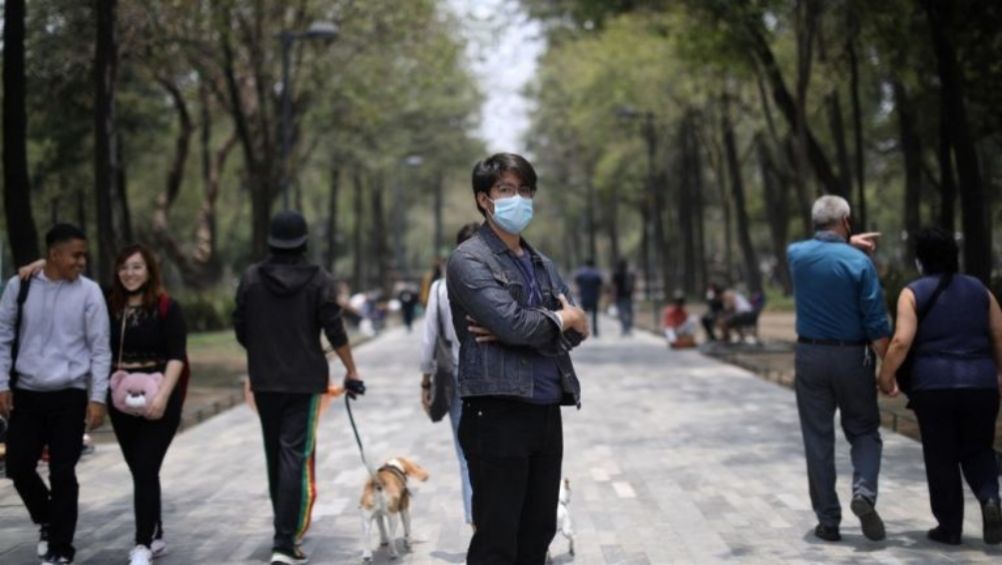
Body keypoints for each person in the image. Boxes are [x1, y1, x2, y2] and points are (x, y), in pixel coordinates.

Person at [447, 153, 589, 564]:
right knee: (498, 537)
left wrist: (539, 325)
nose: (518, 199)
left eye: (525, 191)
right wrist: (559, 319)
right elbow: (520, 326)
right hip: (496, 413)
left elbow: (577, 333)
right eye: (506, 190)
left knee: (539, 531)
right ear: (484, 200)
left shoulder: (543, 263)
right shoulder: (469, 260)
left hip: (546, 409)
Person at [17, 244, 188, 565]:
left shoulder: (167, 307)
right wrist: (44, 262)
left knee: (147, 467)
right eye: (124, 268)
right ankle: (156, 529)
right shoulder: (107, 302)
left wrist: (164, 397)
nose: (130, 274)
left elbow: (177, 356)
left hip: (160, 400)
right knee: (140, 470)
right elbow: (73, 275)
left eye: (137, 267)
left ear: (149, 270)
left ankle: (142, 543)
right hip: (121, 402)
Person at [233, 210, 365, 565]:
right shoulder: (320, 280)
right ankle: (284, 541)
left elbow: (241, 330)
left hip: (265, 381)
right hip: (305, 382)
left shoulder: (250, 279)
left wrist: (266, 354)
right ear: (304, 241)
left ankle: (283, 532)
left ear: (271, 241)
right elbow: (335, 331)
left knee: (274, 454)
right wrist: (351, 371)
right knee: (294, 455)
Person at [877, 227, 1002, 546]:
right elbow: (999, 336)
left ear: (920, 260)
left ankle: (950, 528)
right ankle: (990, 498)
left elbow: (902, 340)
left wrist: (886, 375)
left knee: (941, 456)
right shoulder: (981, 290)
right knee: (978, 449)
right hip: (980, 383)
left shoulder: (912, 292)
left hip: (933, 386)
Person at [0, 224, 111, 564]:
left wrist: (98, 397)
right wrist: (2, 383)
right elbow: (2, 336)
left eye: (84, 255)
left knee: (64, 472)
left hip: (69, 394)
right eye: (75, 254)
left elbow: (100, 349)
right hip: (27, 394)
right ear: (54, 254)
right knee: (17, 466)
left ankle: (61, 547)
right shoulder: (20, 286)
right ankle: (48, 517)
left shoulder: (90, 293)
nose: (82, 261)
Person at [787, 195, 891, 543]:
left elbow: (818, 250)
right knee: (863, 430)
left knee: (817, 439)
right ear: (846, 220)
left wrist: (846, 241)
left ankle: (828, 522)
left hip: (809, 356)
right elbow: (876, 323)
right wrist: (889, 371)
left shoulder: (795, 255)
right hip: (852, 358)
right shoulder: (860, 264)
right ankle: (863, 494)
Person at [419, 222, 480, 526]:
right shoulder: (496, 282)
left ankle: (475, 521)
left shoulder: (441, 288)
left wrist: (426, 381)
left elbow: (429, 339)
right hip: (494, 379)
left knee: (465, 452)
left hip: (456, 377)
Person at [573, 258, 603, 337]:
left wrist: (578, 292)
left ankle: (583, 330)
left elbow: (576, 283)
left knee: (584, 315)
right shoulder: (596, 273)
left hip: (584, 296)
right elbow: (600, 285)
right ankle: (595, 331)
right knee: (594, 315)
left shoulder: (581, 273)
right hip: (594, 296)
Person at [612, 259, 635, 336]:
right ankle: (629, 328)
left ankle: (624, 328)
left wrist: (613, 296)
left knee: (622, 313)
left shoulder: (616, 274)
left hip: (619, 296)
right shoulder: (630, 274)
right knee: (629, 312)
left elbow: (614, 286)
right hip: (628, 295)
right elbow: (633, 285)